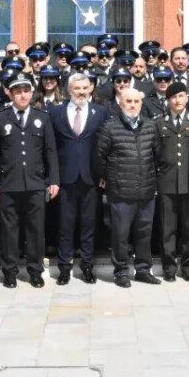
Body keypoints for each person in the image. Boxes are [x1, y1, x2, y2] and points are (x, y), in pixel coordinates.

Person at [0, 73, 59, 289]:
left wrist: (54, 180)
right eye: (17, 91)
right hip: (9, 184)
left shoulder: (43, 117)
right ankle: (9, 271)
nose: (22, 95)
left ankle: (35, 270)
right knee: (9, 230)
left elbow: (50, 151)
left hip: (36, 184)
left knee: (36, 230)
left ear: (32, 92)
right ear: (10, 93)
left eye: (26, 91)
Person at [92, 88, 161, 287]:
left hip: (146, 191)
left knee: (144, 233)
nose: (132, 105)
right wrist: (110, 178)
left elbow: (158, 156)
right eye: (128, 101)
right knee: (120, 235)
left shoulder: (150, 125)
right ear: (120, 104)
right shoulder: (110, 127)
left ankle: (143, 270)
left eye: (136, 101)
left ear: (141, 103)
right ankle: (121, 271)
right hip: (120, 192)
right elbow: (99, 158)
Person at [47, 73, 109, 284]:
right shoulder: (55, 112)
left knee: (88, 226)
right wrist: (53, 178)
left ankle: (87, 267)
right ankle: (64, 268)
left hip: (92, 179)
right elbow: (51, 149)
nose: (81, 92)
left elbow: (105, 147)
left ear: (90, 89)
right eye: (77, 89)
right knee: (65, 226)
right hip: (65, 179)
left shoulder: (101, 112)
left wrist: (104, 175)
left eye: (85, 88)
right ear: (68, 90)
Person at [155, 82, 189, 282]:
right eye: (173, 97)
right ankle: (169, 267)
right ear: (168, 100)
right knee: (168, 228)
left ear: (187, 97)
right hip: (167, 183)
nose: (177, 100)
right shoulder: (159, 122)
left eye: (181, 96)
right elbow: (154, 154)